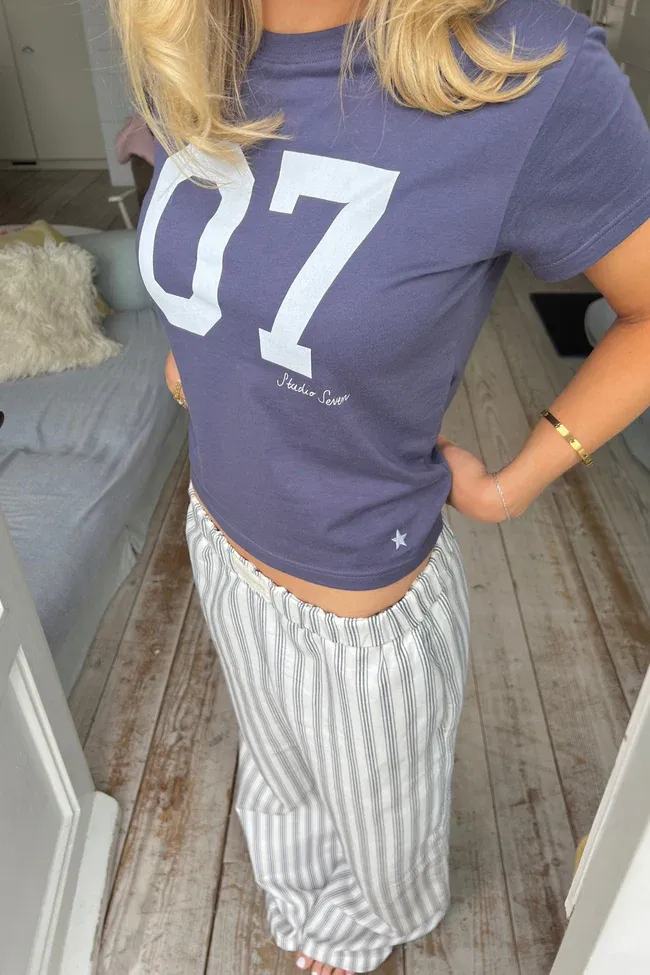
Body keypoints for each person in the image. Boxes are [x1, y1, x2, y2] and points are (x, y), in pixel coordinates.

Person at [113, 0, 650, 970]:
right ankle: (307, 903)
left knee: (386, 839)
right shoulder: (180, 36)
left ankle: (367, 929)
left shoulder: (528, 70)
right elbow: (215, 237)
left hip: (357, 607)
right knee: (277, 780)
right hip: (216, 536)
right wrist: (202, 342)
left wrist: (515, 481)